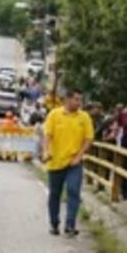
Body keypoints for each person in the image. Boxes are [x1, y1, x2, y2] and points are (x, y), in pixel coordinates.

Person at [42, 88, 94, 238]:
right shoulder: (54, 115)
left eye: (80, 100)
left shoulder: (84, 117)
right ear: (67, 99)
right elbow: (48, 135)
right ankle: (54, 223)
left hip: (74, 162)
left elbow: (89, 138)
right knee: (55, 194)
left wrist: (79, 156)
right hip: (56, 161)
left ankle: (70, 224)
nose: (79, 103)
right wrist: (46, 151)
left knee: (73, 191)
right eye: (76, 99)